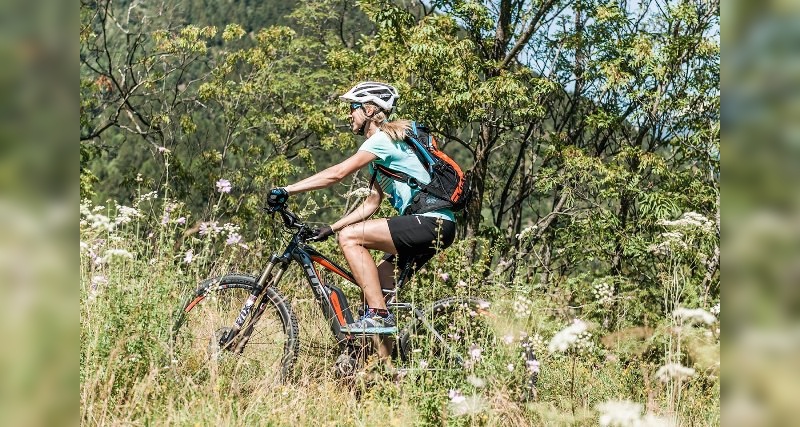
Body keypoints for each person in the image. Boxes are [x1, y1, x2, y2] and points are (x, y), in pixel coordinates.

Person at [267, 81, 456, 336]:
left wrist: (287, 190)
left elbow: (337, 174)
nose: (349, 114)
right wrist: (331, 228)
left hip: (428, 222)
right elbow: (371, 204)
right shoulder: (383, 151)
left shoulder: (381, 140)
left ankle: (378, 316)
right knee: (374, 292)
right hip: (433, 226)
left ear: (368, 110)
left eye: (353, 108)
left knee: (351, 238)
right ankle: (384, 370)